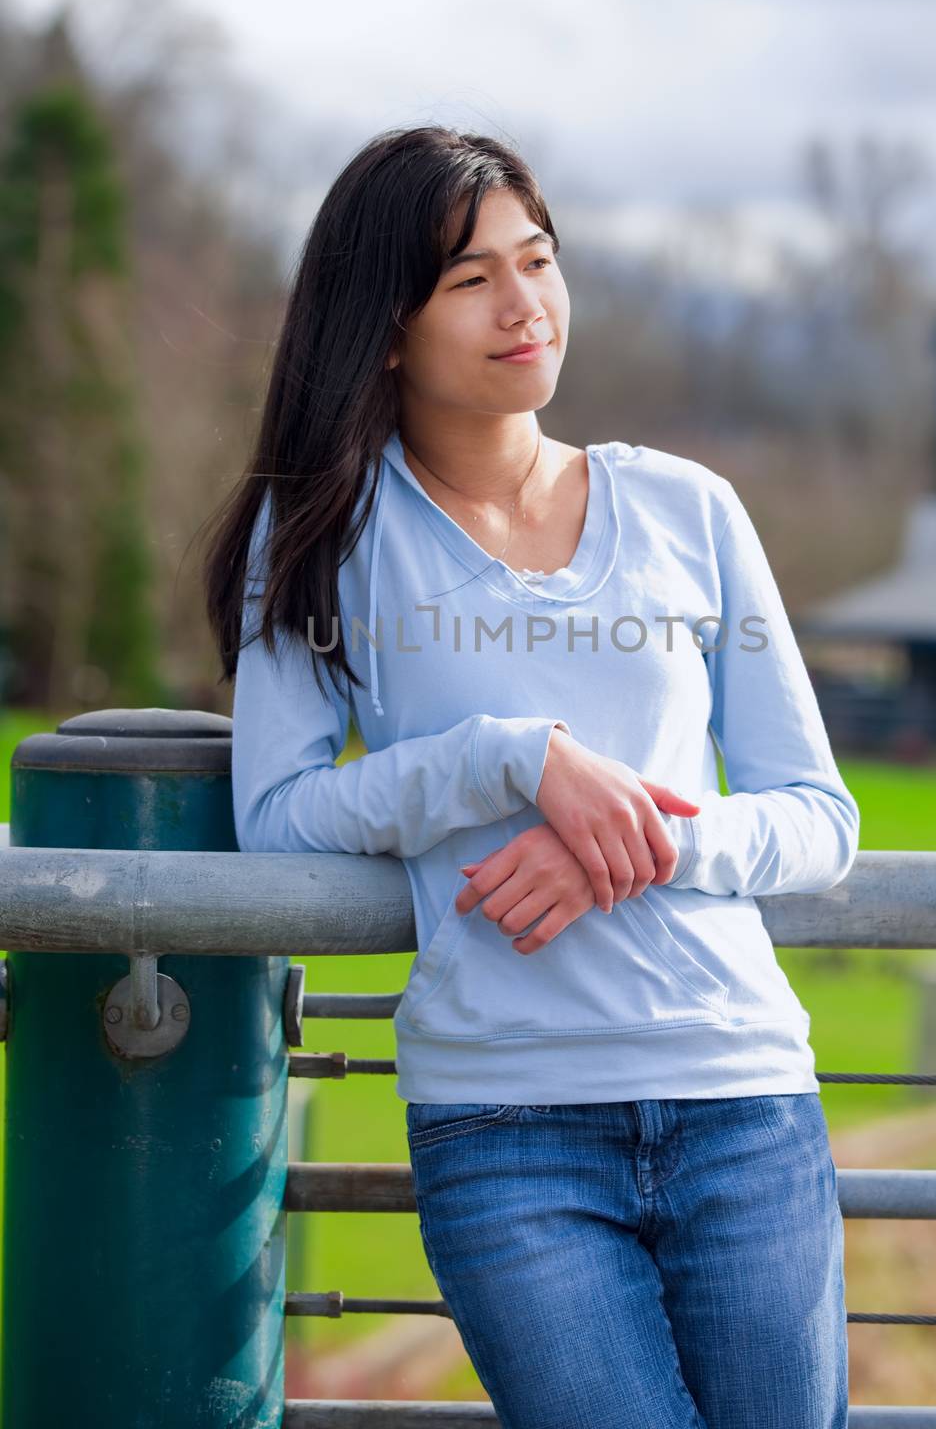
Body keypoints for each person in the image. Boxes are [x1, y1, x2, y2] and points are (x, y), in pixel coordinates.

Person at [205, 124, 858, 1429]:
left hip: (742, 1100)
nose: (526, 306)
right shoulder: (326, 534)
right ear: (386, 327)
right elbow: (274, 820)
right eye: (472, 280)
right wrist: (509, 761)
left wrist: (643, 837)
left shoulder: (692, 511)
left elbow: (817, 819)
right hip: (508, 1135)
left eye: (539, 260)